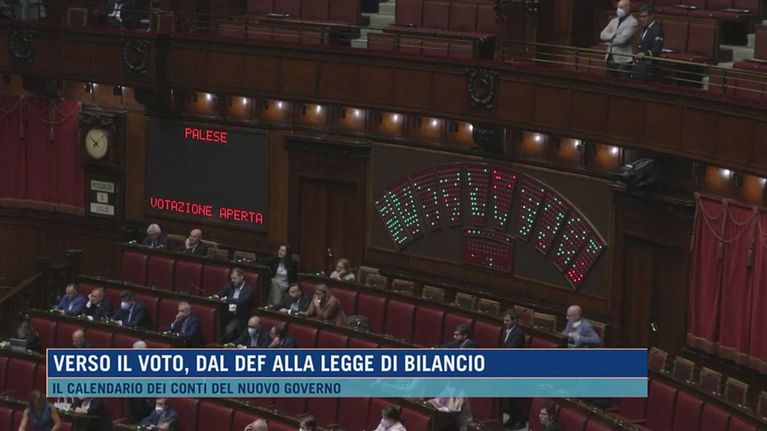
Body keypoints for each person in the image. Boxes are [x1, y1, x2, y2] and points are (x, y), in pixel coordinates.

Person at [214, 268, 255, 341]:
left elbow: (241, 302)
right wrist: (216, 296)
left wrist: (227, 299)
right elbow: (221, 292)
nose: (233, 280)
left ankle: (227, 344)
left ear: (241, 277)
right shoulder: (230, 285)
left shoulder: (248, 289)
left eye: (235, 278)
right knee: (214, 323)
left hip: (239, 316)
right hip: (227, 314)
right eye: (232, 278)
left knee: (228, 329)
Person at [600, 0, 638, 77]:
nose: (618, 10)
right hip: (610, 57)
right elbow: (602, 35)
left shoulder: (633, 22)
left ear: (628, 8)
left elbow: (621, 40)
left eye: (621, 7)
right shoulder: (614, 20)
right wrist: (614, 35)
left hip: (623, 60)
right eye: (618, 7)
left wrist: (608, 40)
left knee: (622, 82)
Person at [631, 4, 663, 81]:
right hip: (639, 65)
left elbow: (656, 49)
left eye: (644, 16)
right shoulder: (644, 28)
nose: (641, 19)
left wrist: (645, 54)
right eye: (640, 17)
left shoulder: (657, 30)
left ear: (652, 16)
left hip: (648, 68)